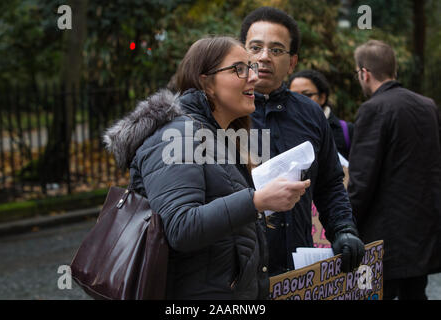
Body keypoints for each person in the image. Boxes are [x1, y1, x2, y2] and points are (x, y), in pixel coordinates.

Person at [103, 36, 311, 299]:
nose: (253, 77)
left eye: (252, 68)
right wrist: (257, 200)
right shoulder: (179, 135)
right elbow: (181, 227)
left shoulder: (218, 137)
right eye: (239, 68)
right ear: (206, 82)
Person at [239, 6, 365, 276]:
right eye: (255, 47)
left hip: (297, 267)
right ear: (241, 52)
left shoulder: (310, 113)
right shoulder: (222, 111)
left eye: (276, 50)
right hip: (238, 271)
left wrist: (343, 229)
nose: (264, 57)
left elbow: (330, 184)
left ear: (292, 62)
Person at [348, 39, 441, 300]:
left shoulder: (374, 109)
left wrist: (344, 223)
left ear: (364, 73)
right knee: (416, 294)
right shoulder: (427, 106)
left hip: (384, 237)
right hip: (423, 230)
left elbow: (361, 179)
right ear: (394, 69)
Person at [289, 70, 354, 159]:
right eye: (294, 96)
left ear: (322, 98)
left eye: (307, 95)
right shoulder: (280, 128)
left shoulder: (347, 131)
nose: (300, 100)